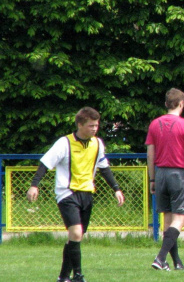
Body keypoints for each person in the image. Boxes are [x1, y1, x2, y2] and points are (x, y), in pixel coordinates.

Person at [26, 107, 125, 282]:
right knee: (76, 233)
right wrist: (34, 185)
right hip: (67, 193)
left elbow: (104, 167)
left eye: (96, 125)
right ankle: (78, 276)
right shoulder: (64, 143)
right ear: (80, 124)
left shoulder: (98, 144)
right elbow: (45, 163)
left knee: (75, 237)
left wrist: (116, 188)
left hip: (87, 193)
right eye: (91, 125)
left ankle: (63, 277)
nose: (94, 129)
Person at [146, 88, 184, 271]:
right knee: (179, 218)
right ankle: (160, 257)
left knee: (168, 220)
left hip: (161, 173)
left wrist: (152, 179)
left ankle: (176, 262)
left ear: (165, 104)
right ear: (182, 104)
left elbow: (150, 154)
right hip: (179, 174)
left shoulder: (155, 124)